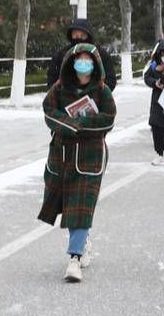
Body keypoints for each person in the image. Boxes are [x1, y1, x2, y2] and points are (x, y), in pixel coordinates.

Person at [38, 43, 116, 283]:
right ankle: (83, 240)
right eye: (79, 59)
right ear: (71, 63)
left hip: (90, 158)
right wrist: (69, 125)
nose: (84, 64)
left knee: (81, 205)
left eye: (88, 60)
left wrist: (82, 126)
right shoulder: (59, 89)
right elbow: (49, 111)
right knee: (69, 205)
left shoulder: (102, 91)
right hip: (62, 154)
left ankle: (74, 258)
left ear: (95, 64)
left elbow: (108, 119)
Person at [47, 19, 117, 91]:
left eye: (82, 35)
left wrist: (97, 94)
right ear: (71, 35)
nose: (78, 38)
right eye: (75, 35)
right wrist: (64, 95)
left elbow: (110, 80)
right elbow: (52, 80)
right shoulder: (62, 54)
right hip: (67, 98)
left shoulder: (100, 53)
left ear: (88, 35)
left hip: (96, 98)